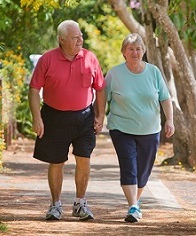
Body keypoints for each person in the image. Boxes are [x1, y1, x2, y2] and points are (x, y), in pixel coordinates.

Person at [28, 20, 106, 221]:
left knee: (84, 159)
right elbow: (34, 89)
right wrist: (37, 118)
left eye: (80, 35)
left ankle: (80, 203)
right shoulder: (47, 59)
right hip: (54, 117)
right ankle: (55, 205)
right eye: (75, 37)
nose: (80, 39)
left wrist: (100, 115)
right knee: (56, 162)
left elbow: (100, 88)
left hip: (84, 118)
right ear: (61, 40)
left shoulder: (90, 58)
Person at [105, 33, 175, 223]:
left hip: (150, 129)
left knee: (144, 170)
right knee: (129, 166)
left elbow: (165, 98)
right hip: (121, 128)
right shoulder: (114, 73)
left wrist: (170, 120)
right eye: (130, 49)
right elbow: (103, 97)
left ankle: (135, 201)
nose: (135, 52)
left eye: (138, 49)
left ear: (143, 51)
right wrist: (98, 117)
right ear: (123, 52)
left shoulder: (153, 72)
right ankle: (133, 206)